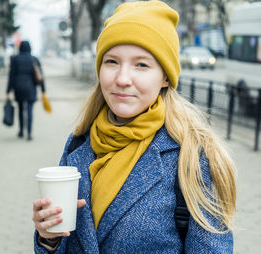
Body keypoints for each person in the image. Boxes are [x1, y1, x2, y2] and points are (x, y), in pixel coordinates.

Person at [32, 1, 236, 253]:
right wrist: (47, 239)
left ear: (164, 77)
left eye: (141, 65)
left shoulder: (193, 156)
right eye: (112, 62)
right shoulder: (79, 143)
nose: (122, 79)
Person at [6, 40, 45, 141]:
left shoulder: (15, 59)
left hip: (18, 87)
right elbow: (40, 75)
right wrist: (43, 90)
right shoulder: (34, 59)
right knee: (29, 110)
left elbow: (11, 76)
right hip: (30, 87)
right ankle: (29, 133)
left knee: (20, 109)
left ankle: (21, 131)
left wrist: (8, 90)